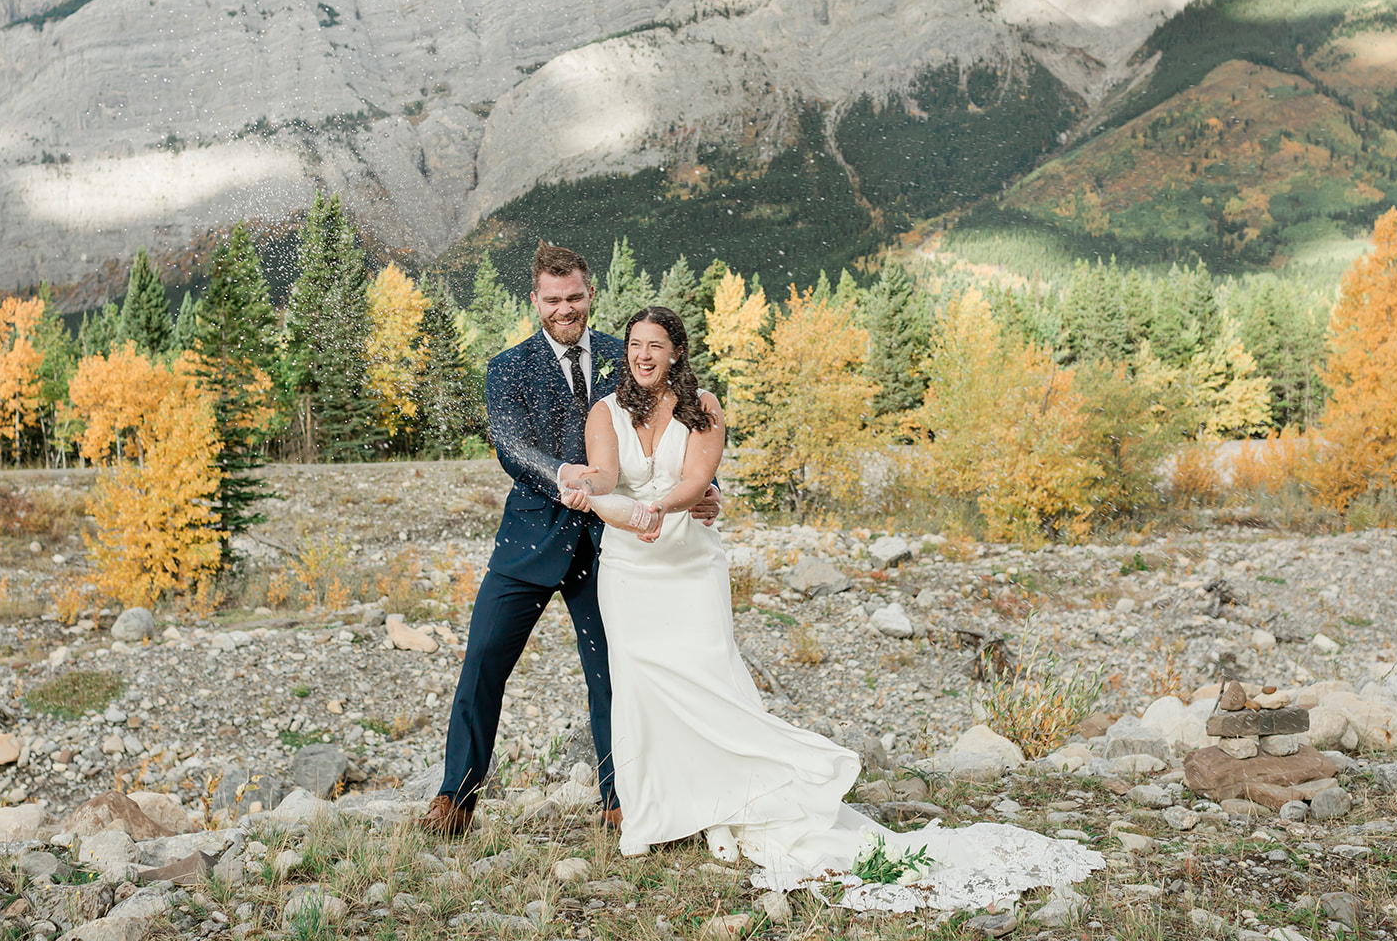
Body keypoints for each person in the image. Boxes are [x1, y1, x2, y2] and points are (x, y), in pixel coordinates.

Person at [560, 305, 1104, 913]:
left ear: (677, 352)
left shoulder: (703, 406)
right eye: (635, 344)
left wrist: (661, 509)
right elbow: (607, 475)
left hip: (688, 564)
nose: (642, 355)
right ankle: (660, 808)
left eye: (655, 345)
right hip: (630, 570)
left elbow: (696, 479)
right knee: (641, 684)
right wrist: (588, 485)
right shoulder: (604, 412)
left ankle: (740, 795)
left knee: (709, 673)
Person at [418, 243, 717, 837]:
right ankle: (455, 798)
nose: (564, 309)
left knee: (613, 675)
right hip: (529, 541)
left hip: (612, 548)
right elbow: (510, 445)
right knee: (481, 664)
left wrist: (703, 486)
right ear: (535, 301)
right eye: (552, 300)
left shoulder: (623, 353)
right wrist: (561, 473)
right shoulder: (507, 367)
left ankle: (620, 799)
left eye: (574, 297)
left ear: (589, 294)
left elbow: (676, 423)